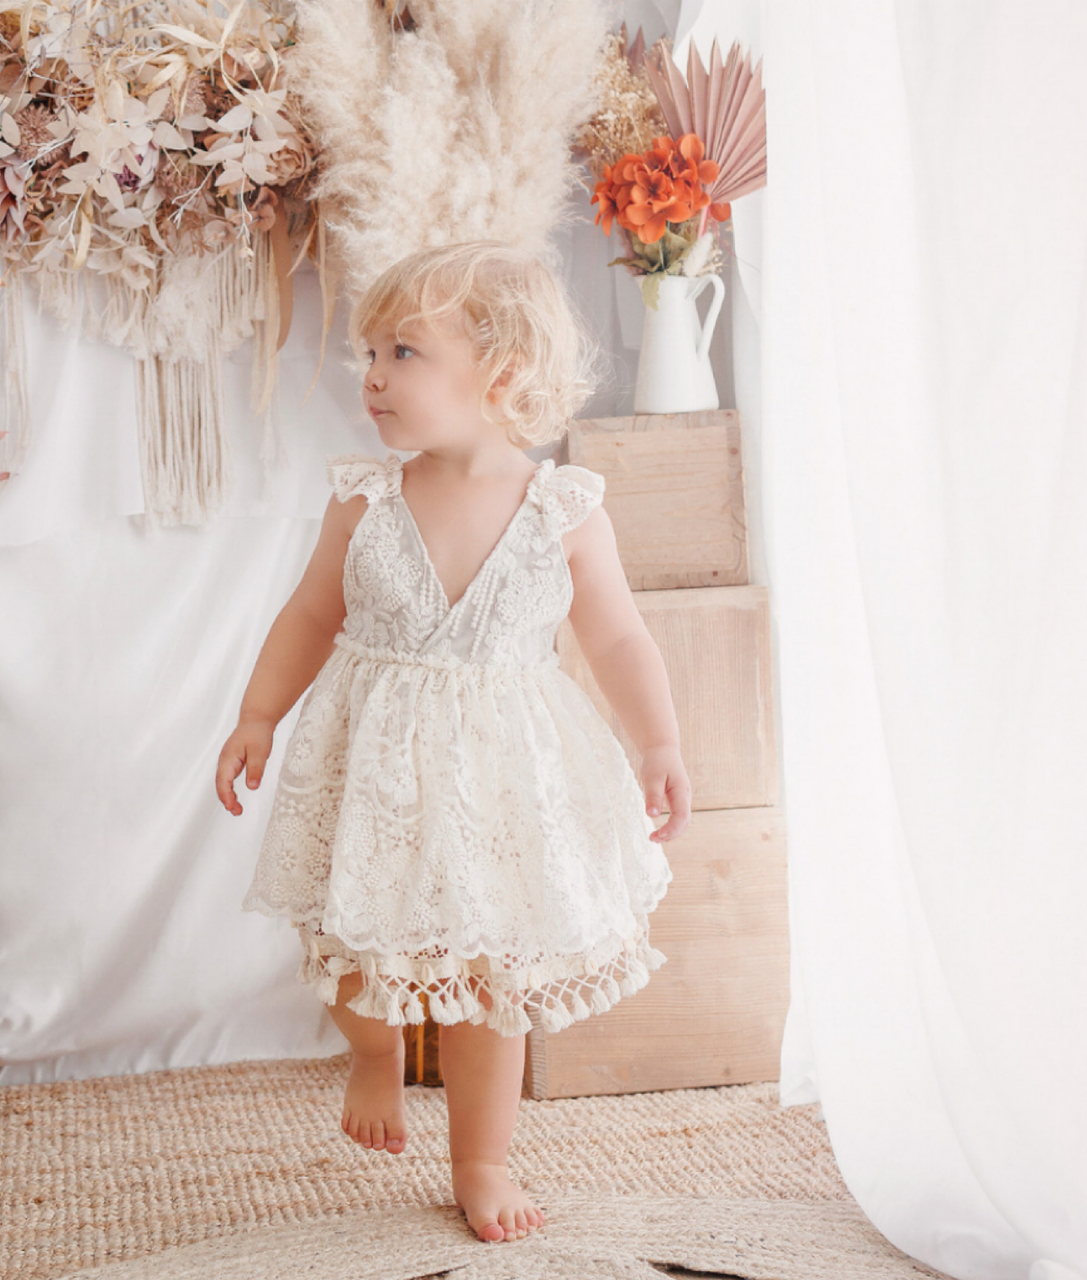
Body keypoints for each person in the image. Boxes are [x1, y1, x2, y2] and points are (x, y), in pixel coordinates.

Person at [216, 239, 691, 1245]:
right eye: (369, 352)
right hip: (375, 768)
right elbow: (308, 614)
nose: (371, 375)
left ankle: (480, 1158)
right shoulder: (365, 498)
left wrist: (657, 740)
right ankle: (373, 1050)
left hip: (499, 780)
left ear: (501, 372)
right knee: (349, 943)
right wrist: (258, 712)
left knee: (489, 982)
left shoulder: (562, 509)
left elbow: (613, 633)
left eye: (401, 352)